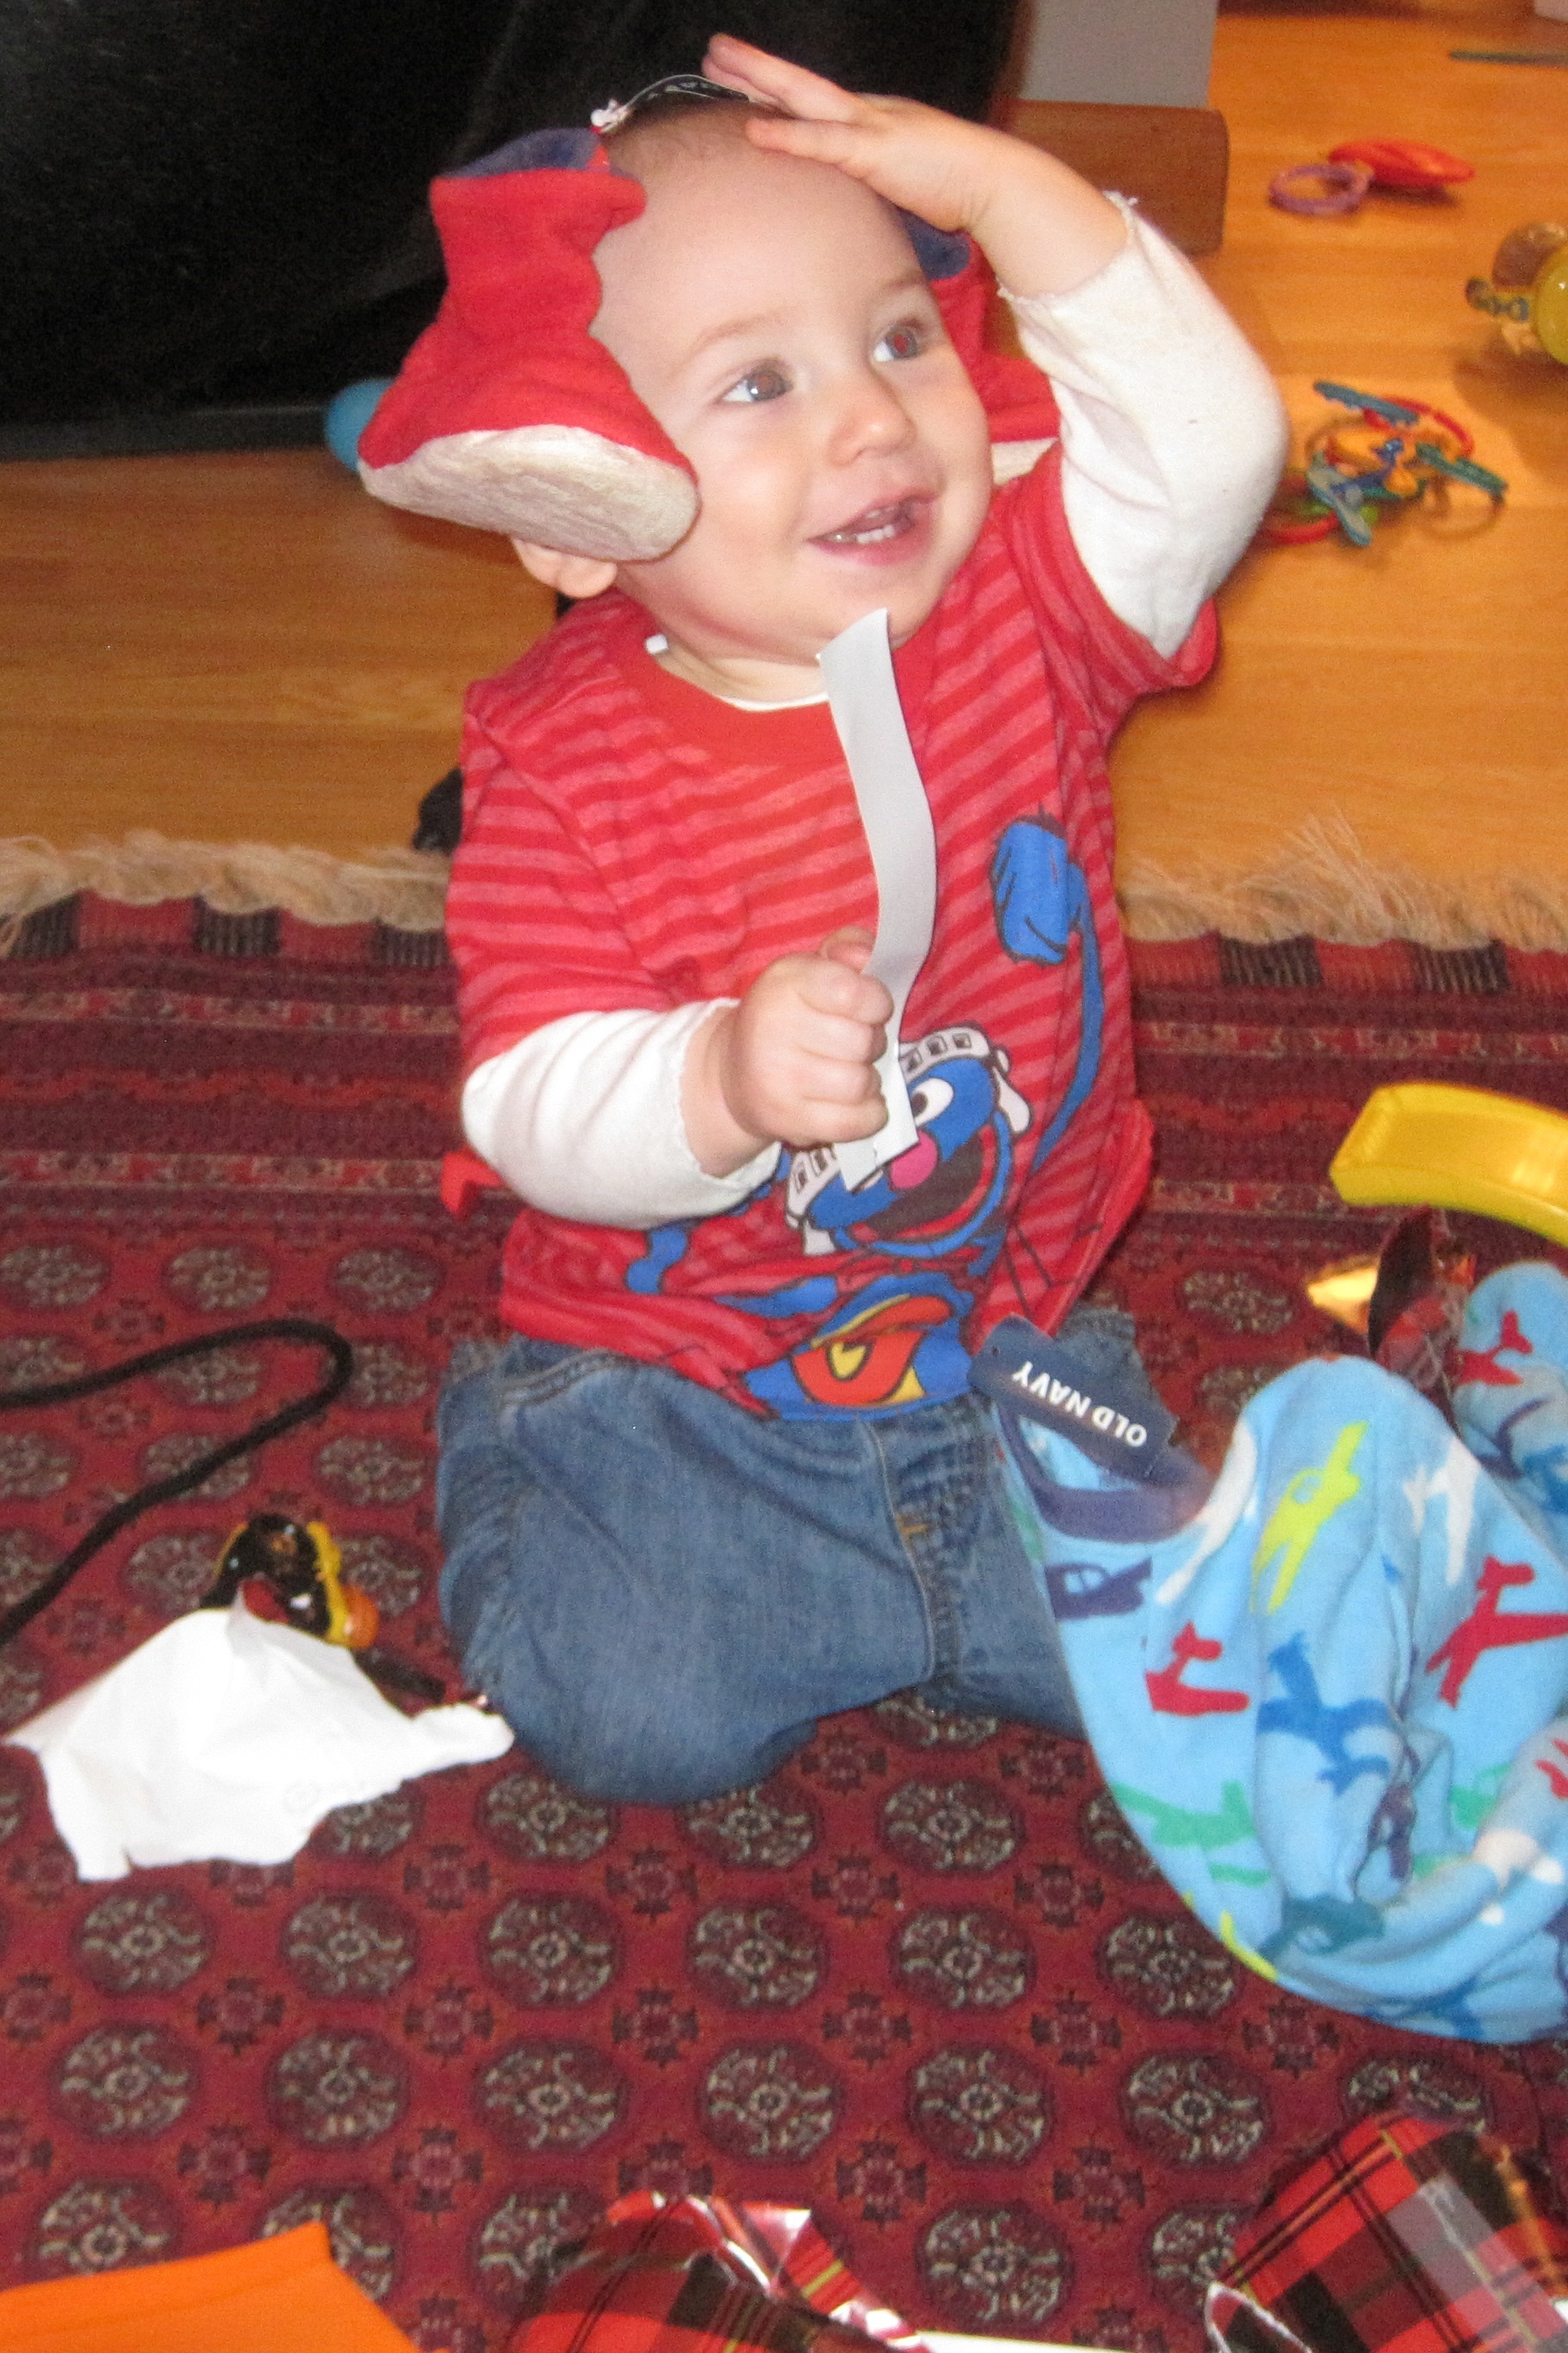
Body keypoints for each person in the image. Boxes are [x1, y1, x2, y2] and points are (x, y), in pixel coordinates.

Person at [361, 35, 1288, 1804]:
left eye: (900, 336)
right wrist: (712, 1079)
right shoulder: (559, 759)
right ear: (574, 500)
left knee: (1208, 1671)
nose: (869, 419)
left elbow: (1212, 444)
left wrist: (1008, 191)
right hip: (689, 1390)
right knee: (639, 1721)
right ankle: (522, 1447)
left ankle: (980, 1569)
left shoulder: (1034, 603)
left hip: (1008, 1334)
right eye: (758, 382)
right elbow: (526, 1096)